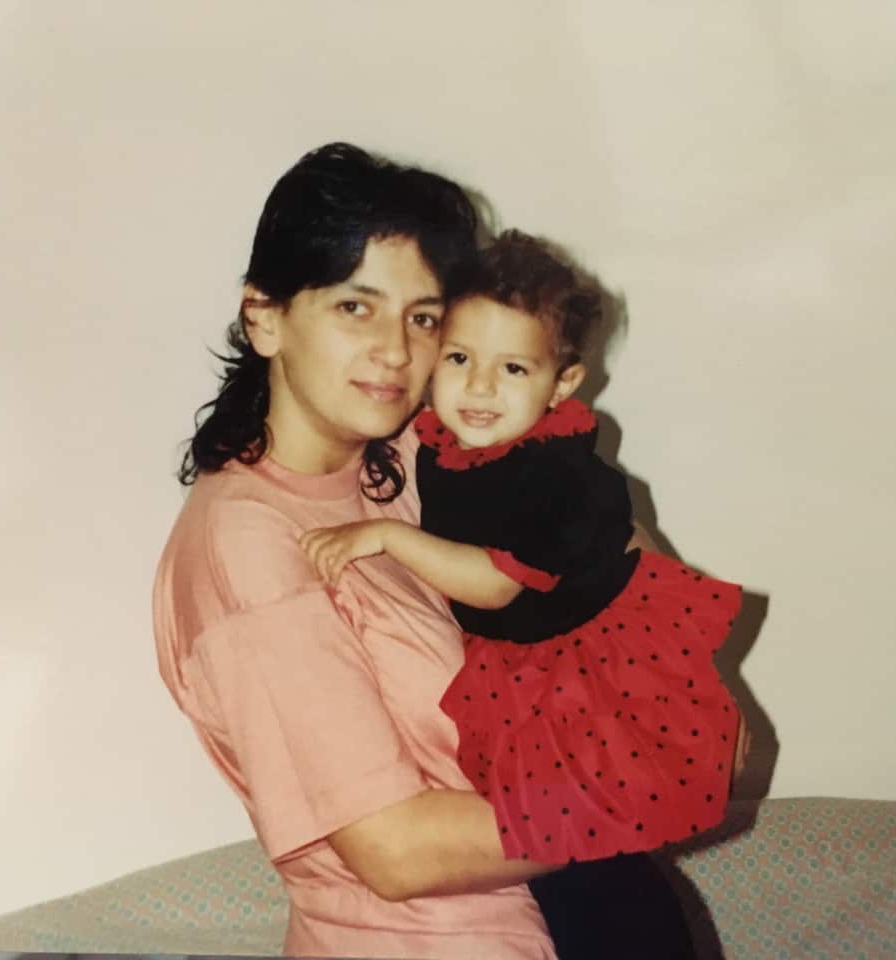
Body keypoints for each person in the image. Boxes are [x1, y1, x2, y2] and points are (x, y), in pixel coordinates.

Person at [154, 143, 702, 959]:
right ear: (264, 316)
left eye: (422, 317)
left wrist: (673, 695)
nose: (395, 350)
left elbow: (620, 551)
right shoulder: (249, 539)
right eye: (354, 307)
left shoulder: (418, 452)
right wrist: (656, 783)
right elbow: (397, 849)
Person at [300, 230, 749, 958]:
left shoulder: (548, 471)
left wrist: (383, 539)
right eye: (458, 359)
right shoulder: (449, 446)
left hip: (588, 673)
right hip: (537, 674)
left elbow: (495, 583)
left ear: (561, 384)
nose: (478, 388)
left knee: (593, 862)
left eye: (512, 367)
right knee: (569, 868)